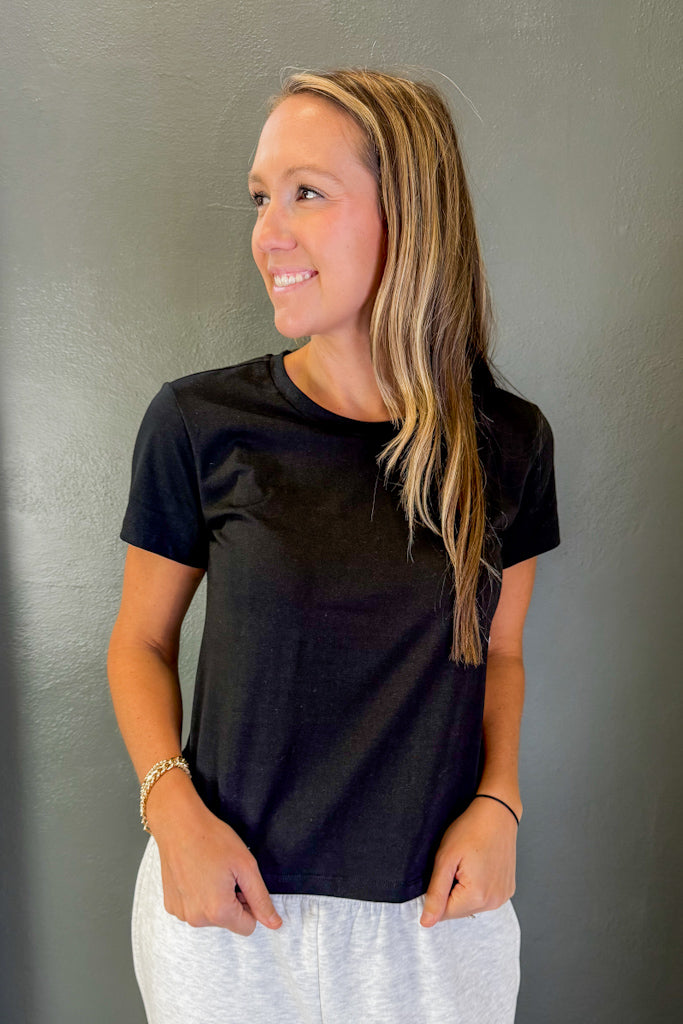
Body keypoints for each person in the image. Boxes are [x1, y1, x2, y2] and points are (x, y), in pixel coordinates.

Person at [107, 67, 561, 1024]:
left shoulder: (509, 443)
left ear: (410, 213)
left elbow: (502, 650)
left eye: (306, 193)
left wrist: (500, 804)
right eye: (260, 198)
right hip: (232, 919)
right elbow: (139, 642)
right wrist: (170, 812)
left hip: (433, 922)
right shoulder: (198, 423)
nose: (268, 233)